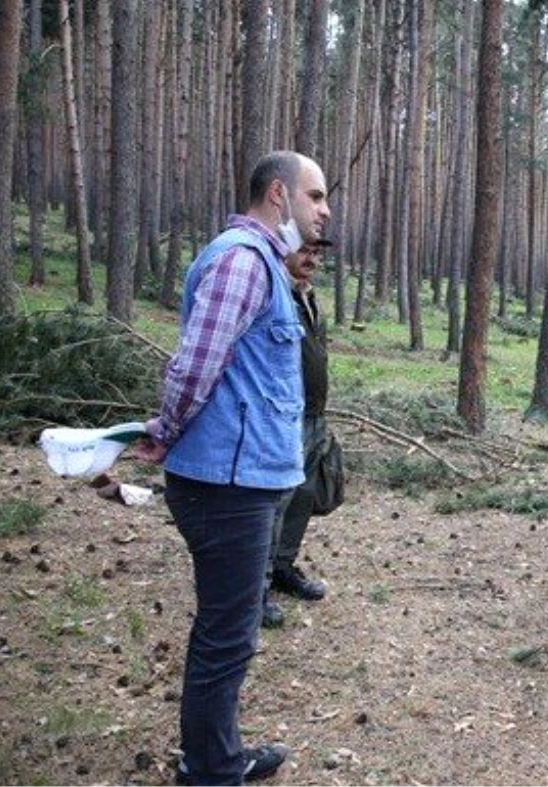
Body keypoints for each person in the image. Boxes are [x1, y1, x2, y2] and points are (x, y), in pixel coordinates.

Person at [135, 150, 330, 785]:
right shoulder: (242, 262)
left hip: (243, 475)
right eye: (316, 196)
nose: (325, 211)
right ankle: (211, 771)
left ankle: (215, 755)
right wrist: (163, 433)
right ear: (280, 196)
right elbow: (196, 363)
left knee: (232, 628)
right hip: (226, 482)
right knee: (228, 635)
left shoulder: (265, 267)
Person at [261, 238, 333, 629]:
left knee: (302, 496)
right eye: (305, 251)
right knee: (275, 500)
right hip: (284, 416)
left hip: (313, 415)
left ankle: (283, 567)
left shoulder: (308, 296)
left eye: (318, 254)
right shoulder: (273, 293)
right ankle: (255, 588)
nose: (313, 260)